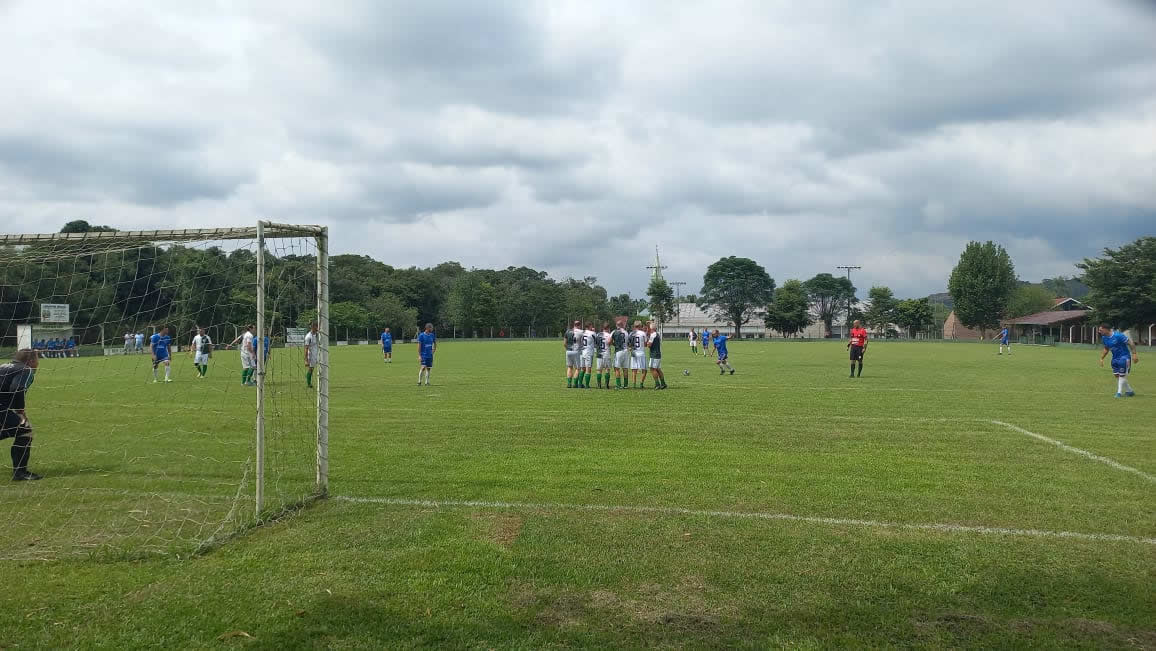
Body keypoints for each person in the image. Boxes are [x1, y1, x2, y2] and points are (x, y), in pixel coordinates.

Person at [1, 350, 40, 480]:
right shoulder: (25, 370)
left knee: (14, 429)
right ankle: (20, 473)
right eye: (37, 359)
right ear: (31, 361)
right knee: (25, 431)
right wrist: (20, 412)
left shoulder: (3, 366)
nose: (38, 363)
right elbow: (17, 388)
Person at [1098, 324, 1138, 398]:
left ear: (1106, 329)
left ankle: (1118, 393)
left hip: (1124, 357)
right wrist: (1102, 358)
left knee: (1122, 375)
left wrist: (1134, 354)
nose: (1099, 331)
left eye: (1101, 330)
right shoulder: (1104, 338)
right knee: (1117, 375)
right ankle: (1130, 391)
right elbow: (1106, 348)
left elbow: (1131, 343)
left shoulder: (1118, 336)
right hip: (1115, 358)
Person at [647, 322, 668, 390]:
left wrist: (647, 343)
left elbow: (649, 345)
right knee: (658, 369)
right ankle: (663, 383)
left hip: (654, 354)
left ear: (651, 328)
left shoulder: (652, 335)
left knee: (652, 369)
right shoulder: (657, 334)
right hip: (658, 353)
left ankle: (657, 384)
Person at [629, 320, 648, 388]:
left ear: (634, 326)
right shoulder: (643, 333)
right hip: (641, 353)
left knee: (634, 370)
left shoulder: (631, 333)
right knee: (644, 370)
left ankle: (634, 385)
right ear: (640, 326)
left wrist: (631, 348)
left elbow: (629, 344)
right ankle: (641, 384)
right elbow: (646, 344)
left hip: (634, 353)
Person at [612, 319, 629, 389]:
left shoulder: (614, 331)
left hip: (618, 351)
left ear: (617, 325)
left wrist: (614, 344)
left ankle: (618, 385)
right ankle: (625, 385)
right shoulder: (626, 332)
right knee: (625, 368)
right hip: (625, 351)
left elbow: (609, 341)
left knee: (616, 368)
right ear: (622, 325)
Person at [579, 321, 596, 389]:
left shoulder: (582, 333)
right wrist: (594, 331)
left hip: (582, 352)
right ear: (590, 326)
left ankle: (580, 384)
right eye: (591, 326)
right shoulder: (592, 333)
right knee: (588, 368)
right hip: (588, 352)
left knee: (582, 368)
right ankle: (587, 385)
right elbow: (596, 340)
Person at [564, 320, 581, 388]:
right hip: (576, 351)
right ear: (579, 325)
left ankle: (569, 383)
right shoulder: (580, 332)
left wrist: (568, 349)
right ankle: (575, 384)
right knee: (577, 368)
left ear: (573, 325)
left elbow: (564, 343)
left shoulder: (567, 331)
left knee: (569, 367)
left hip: (568, 351)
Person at [595, 323, 612, 389]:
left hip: (599, 354)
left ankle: (599, 385)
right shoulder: (609, 335)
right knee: (607, 369)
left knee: (599, 370)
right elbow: (610, 343)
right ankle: (606, 385)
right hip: (606, 353)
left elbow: (596, 343)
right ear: (608, 328)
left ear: (603, 328)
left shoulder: (598, 334)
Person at [304, 322, 320, 388]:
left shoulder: (317, 334)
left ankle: (322, 381)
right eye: (316, 326)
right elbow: (306, 348)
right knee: (311, 369)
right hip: (311, 355)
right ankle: (309, 383)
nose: (318, 328)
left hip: (318, 353)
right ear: (313, 327)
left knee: (322, 366)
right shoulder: (308, 337)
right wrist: (306, 360)